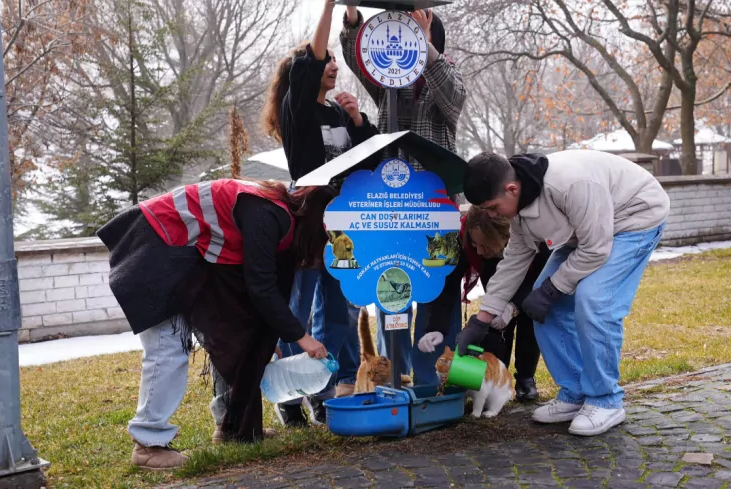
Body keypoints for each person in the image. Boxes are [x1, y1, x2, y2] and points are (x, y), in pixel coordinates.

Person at [98, 179, 336, 469]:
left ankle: (231, 426)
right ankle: (148, 443)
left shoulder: (274, 210)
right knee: (168, 344)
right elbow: (261, 288)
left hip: (178, 251)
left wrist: (265, 342)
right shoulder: (268, 213)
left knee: (234, 336)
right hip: (156, 246)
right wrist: (302, 337)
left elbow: (255, 296)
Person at [456, 150, 670, 436]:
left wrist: (552, 288)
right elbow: (515, 261)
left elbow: (596, 249)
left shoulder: (570, 185)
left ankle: (606, 400)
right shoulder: (519, 207)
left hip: (634, 218)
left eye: (493, 207)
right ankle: (576, 391)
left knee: (594, 301)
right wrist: (481, 320)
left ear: (512, 188)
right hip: (586, 232)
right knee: (545, 304)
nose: (492, 215)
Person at [261, 0, 379, 423]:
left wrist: (359, 120)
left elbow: (368, 162)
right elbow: (310, 61)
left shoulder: (336, 113)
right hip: (309, 222)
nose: (333, 65)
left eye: (335, 61)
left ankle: (323, 389)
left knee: (342, 307)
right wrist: (330, 6)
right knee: (298, 311)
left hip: (344, 224)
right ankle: (291, 398)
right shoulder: (298, 109)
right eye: (326, 60)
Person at [341, 5, 467, 385]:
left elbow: (454, 96)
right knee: (392, 289)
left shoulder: (447, 79)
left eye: (410, 35)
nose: (401, 43)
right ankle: (397, 376)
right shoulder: (388, 83)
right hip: (392, 206)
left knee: (438, 294)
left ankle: (438, 379)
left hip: (438, 207)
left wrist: (425, 45)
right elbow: (360, 56)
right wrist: (351, 19)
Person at [417, 205, 549, 399]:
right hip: (493, 271)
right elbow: (447, 284)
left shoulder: (532, 236)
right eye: (475, 243)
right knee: (494, 323)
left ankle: (525, 378)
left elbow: (540, 278)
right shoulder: (463, 240)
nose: (478, 251)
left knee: (528, 318)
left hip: (531, 279)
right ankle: (495, 378)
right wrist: (435, 327)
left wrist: (513, 306)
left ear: (506, 238)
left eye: (485, 246)